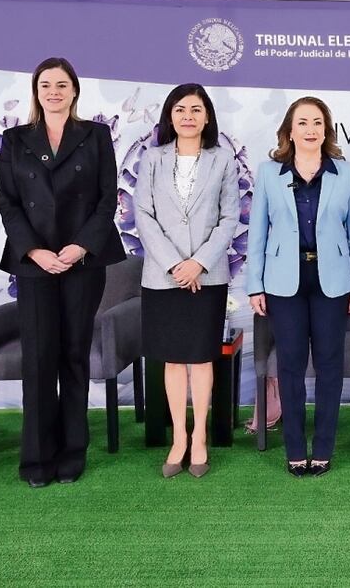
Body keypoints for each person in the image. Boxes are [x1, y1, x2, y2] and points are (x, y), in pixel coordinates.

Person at [0, 57, 125, 488]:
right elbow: (9, 203)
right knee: (38, 360)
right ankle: (36, 460)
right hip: (34, 264)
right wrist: (34, 250)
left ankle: (73, 452)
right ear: (36, 90)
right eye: (46, 84)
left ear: (75, 91)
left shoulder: (96, 135)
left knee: (73, 356)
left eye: (62, 84)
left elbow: (109, 198)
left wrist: (78, 246)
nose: (54, 91)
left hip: (83, 260)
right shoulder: (15, 139)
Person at [246, 96, 350, 477]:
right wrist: (255, 286)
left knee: (331, 364)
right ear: (289, 130)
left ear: (326, 129)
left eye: (318, 122)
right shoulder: (269, 173)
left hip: (333, 281)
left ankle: (324, 447)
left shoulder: (346, 174)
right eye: (303, 122)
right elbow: (257, 233)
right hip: (284, 280)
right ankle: (296, 447)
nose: (311, 129)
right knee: (291, 364)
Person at [134, 84, 240, 479]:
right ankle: (178, 437)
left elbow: (229, 218)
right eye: (181, 110)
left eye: (196, 109)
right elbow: (143, 215)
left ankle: (199, 436)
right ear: (170, 116)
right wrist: (176, 265)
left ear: (207, 116)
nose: (189, 116)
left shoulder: (223, 160)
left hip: (207, 276)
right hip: (163, 278)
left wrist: (197, 264)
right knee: (173, 359)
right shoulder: (152, 159)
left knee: (201, 358)